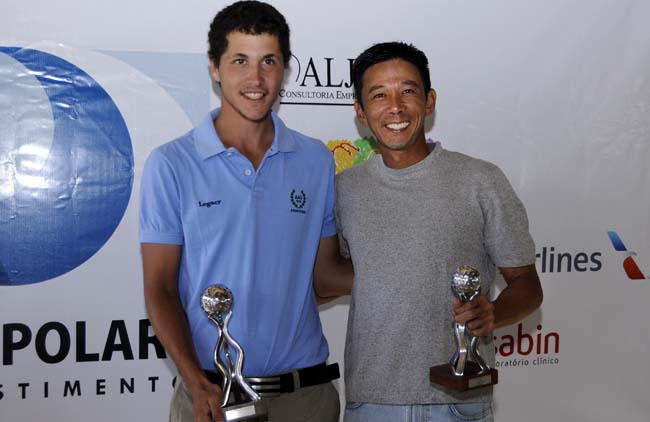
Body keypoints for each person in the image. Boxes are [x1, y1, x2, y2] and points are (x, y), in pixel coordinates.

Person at [139, 2, 351, 421]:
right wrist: (196, 384)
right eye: (240, 61)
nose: (256, 79)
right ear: (215, 68)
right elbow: (160, 289)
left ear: (284, 69)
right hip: (212, 398)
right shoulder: (172, 163)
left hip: (306, 398)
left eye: (268, 61)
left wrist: (409, 271)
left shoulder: (315, 160)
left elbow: (325, 277)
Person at [332, 42, 543, 422]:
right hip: (371, 402)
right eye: (379, 95)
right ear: (361, 112)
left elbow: (527, 285)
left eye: (408, 91)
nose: (395, 107)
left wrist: (491, 313)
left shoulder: (481, 180)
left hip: (458, 402)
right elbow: (334, 275)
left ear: (429, 102)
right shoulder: (344, 189)